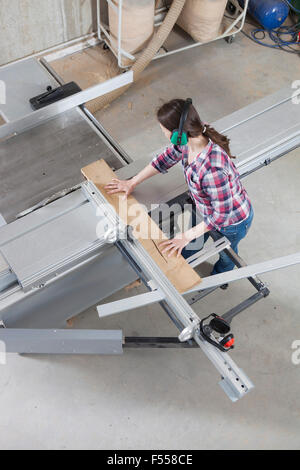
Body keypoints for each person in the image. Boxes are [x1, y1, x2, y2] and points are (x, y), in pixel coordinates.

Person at [105, 98, 254, 275]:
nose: (163, 134)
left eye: (164, 131)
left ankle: (222, 275)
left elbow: (221, 216)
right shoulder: (191, 136)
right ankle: (183, 261)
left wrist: (185, 236)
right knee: (191, 242)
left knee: (226, 254)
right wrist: (132, 182)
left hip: (232, 222)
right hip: (205, 209)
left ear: (178, 133)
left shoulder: (212, 169)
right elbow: (165, 159)